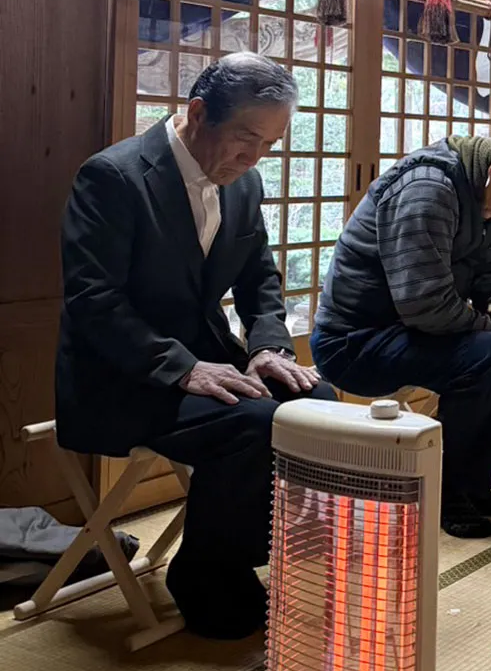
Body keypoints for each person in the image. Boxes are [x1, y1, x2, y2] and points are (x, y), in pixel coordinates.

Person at [56, 53, 336, 640]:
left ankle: (248, 559)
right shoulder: (114, 177)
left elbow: (260, 278)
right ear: (199, 113)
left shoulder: (244, 182)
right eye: (245, 138)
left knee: (317, 402)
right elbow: (94, 303)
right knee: (256, 422)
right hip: (121, 377)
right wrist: (182, 368)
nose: (254, 157)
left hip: (205, 365)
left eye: (269, 144)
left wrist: (268, 349)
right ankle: (204, 575)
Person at [310, 135, 491, 540]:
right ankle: (446, 493)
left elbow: (486, 279)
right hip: (356, 340)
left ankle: (475, 484)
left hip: (414, 329)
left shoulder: (489, 195)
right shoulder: (428, 188)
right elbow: (425, 304)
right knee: (489, 352)